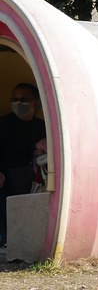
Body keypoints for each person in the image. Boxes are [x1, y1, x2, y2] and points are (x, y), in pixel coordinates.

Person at [0, 83, 47, 247]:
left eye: (23, 99)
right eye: (15, 99)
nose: (18, 103)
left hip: (32, 178)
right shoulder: (4, 124)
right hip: (6, 177)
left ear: (35, 102)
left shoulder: (42, 126)